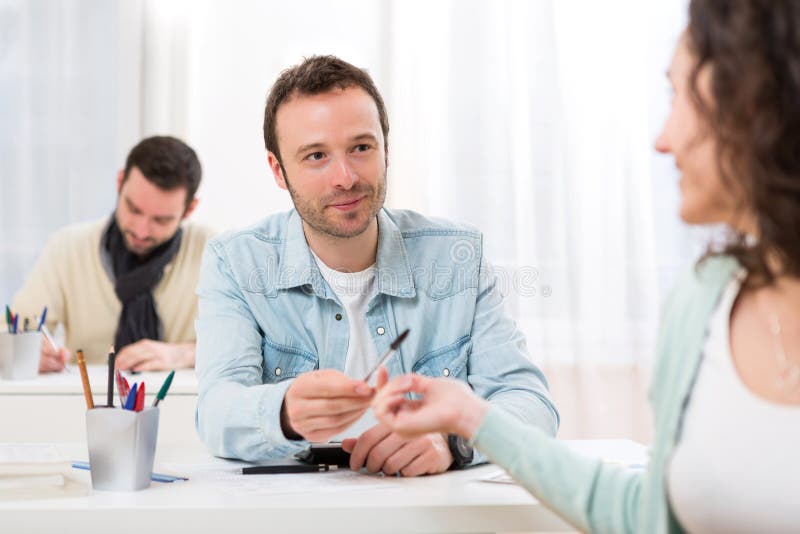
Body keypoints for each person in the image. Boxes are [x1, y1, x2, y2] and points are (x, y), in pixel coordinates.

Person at [373, 0, 800, 531]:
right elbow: (646, 515)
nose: (662, 140)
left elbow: (531, 398)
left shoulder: (456, 253)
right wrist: (469, 417)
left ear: (753, 105)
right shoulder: (706, 300)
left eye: (677, 97)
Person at [195, 56, 559, 476]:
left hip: (428, 501)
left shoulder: (458, 255)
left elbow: (531, 404)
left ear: (387, 150)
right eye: (316, 155)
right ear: (279, 170)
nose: (345, 177)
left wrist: (452, 440)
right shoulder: (235, 262)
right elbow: (216, 412)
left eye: (361, 148)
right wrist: (284, 413)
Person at [13, 136, 214, 371]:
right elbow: (12, 330)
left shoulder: (213, 253)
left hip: (181, 394)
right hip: (87, 394)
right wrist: (26, 350)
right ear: (120, 183)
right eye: (133, 209)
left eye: (161, 220)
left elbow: (246, 345)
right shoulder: (68, 248)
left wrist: (184, 354)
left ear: (189, 209)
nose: (141, 230)